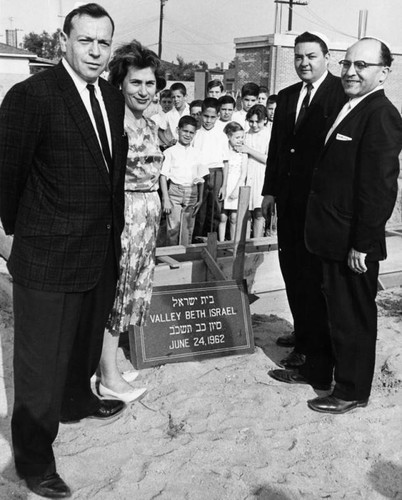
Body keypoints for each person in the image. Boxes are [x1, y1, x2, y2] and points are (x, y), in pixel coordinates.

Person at [0, 3, 127, 498]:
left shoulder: (111, 98)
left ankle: (76, 401)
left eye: (103, 43)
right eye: (86, 41)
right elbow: (5, 177)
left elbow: (108, 175)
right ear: (63, 42)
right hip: (46, 256)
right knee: (38, 367)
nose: (95, 52)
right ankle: (35, 462)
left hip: (98, 252)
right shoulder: (31, 96)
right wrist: (11, 246)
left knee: (81, 345)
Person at [301, 37, 402, 413]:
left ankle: (352, 391)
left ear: (383, 73)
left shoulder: (381, 115)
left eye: (362, 65)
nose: (351, 72)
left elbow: (379, 189)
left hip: (352, 243)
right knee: (335, 313)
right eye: (347, 64)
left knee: (352, 318)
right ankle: (329, 375)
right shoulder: (350, 107)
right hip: (331, 236)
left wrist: (362, 242)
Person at [261, 32, 346, 370]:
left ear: (327, 57)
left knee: (314, 275)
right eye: (298, 57)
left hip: (322, 205)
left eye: (311, 56)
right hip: (289, 201)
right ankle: (302, 329)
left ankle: (312, 346)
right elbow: (277, 149)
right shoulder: (286, 96)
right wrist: (270, 191)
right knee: (292, 269)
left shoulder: (341, 93)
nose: (304, 63)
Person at [99, 40, 166, 402]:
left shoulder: (151, 124)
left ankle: (106, 365)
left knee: (130, 296)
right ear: (120, 83)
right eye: (135, 82)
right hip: (123, 220)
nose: (143, 90)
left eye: (150, 83)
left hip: (147, 219)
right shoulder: (113, 125)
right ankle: (108, 376)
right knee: (116, 296)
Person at [160, 115, 208, 245]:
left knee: (187, 229)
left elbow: (201, 178)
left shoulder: (197, 153)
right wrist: (166, 199)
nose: (188, 135)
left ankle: (184, 258)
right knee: (173, 229)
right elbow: (163, 176)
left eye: (191, 133)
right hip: (174, 192)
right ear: (178, 130)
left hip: (192, 193)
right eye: (185, 131)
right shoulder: (169, 152)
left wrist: (200, 198)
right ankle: (171, 255)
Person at [192, 97, 229, 239]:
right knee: (199, 209)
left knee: (215, 210)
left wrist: (224, 185)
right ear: (201, 115)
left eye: (212, 117)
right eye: (206, 116)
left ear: (217, 117)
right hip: (200, 175)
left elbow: (226, 162)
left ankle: (211, 242)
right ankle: (196, 241)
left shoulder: (221, 136)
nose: (208, 120)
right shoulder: (196, 134)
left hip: (216, 173)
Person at [242, 104, 270, 238]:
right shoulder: (245, 135)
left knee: (259, 212)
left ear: (264, 120)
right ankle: (245, 244)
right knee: (245, 212)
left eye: (257, 122)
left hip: (261, 175)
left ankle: (257, 244)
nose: (253, 125)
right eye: (251, 121)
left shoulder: (269, 135)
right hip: (247, 174)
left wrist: (249, 150)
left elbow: (269, 159)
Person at [218, 121, 247, 241]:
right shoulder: (224, 151)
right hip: (226, 184)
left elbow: (243, 173)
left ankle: (233, 243)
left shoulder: (243, 153)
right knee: (223, 217)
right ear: (229, 137)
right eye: (237, 137)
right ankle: (221, 242)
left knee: (234, 217)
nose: (240, 140)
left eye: (242, 137)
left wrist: (236, 190)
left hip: (237, 185)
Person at [158, 82, 190, 148]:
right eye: (173, 97)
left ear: (185, 96)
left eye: (178, 96)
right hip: (175, 147)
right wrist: (168, 143)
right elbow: (160, 131)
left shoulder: (190, 111)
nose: (176, 100)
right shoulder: (169, 114)